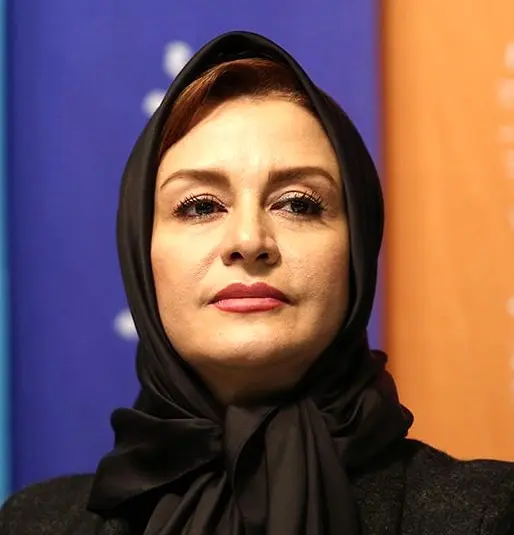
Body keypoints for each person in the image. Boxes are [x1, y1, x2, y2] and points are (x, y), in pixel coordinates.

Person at [1, 30, 513, 535]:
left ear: (358, 247)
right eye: (200, 206)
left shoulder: (487, 514)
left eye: (299, 204)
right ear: (140, 250)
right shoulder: (31, 523)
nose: (249, 240)